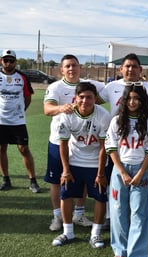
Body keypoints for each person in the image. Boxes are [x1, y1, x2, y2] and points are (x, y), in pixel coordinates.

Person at [98, 53, 148, 229]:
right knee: (115, 180)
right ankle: (113, 218)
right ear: (121, 69)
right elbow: (94, 100)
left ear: (140, 70)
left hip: (139, 144)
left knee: (139, 182)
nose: (130, 69)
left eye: (134, 66)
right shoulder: (111, 86)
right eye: (127, 66)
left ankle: (136, 220)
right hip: (118, 141)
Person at [44, 54, 103, 231]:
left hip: (81, 142)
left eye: (74, 65)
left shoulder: (87, 85)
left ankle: (79, 214)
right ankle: (57, 216)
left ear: (80, 67)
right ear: (62, 69)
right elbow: (47, 109)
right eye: (67, 66)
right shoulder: (56, 87)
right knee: (57, 180)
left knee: (81, 179)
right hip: (58, 140)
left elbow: (103, 98)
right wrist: (61, 108)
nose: (71, 69)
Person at [105, 83, 148, 257]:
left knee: (139, 214)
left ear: (142, 101)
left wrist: (141, 172)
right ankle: (120, 249)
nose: (133, 102)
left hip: (140, 171)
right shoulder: (117, 121)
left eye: (137, 98)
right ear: (124, 100)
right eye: (129, 98)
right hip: (120, 171)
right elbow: (111, 147)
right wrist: (123, 172)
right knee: (118, 211)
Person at [51, 82, 111, 248]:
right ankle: (68, 232)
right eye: (81, 97)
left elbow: (103, 146)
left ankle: (95, 235)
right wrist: (65, 170)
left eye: (89, 97)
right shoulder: (67, 114)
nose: (85, 101)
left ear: (95, 99)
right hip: (74, 160)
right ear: (75, 98)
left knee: (100, 196)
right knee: (66, 194)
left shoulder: (103, 115)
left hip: (95, 163)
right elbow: (62, 144)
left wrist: (100, 173)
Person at [0, 49, 40, 193]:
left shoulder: (22, 77)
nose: (9, 63)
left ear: (15, 62)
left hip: (17, 121)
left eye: (11, 60)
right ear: (1, 61)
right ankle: (6, 179)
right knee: (1, 148)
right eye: (6, 60)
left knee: (24, 149)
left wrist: (21, 112)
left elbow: (28, 97)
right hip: (1, 121)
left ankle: (33, 181)